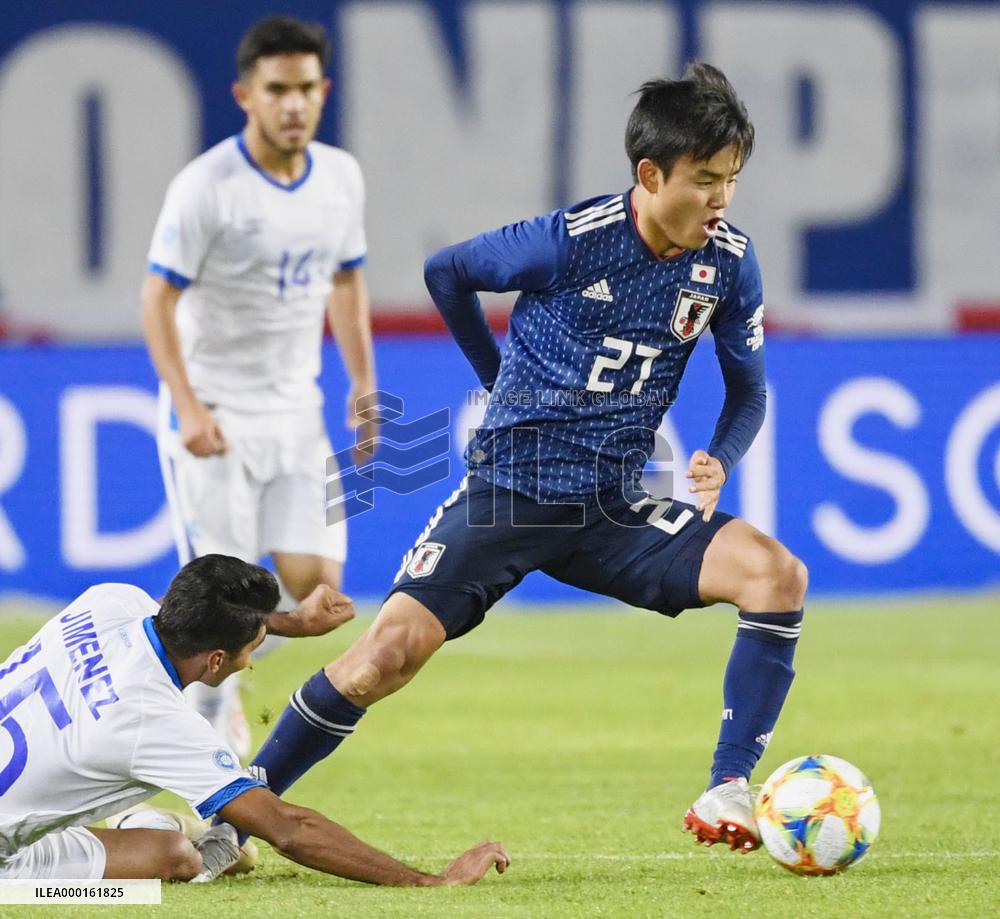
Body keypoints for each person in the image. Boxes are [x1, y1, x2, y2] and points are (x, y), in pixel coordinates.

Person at [243, 62, 808, 857]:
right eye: (706, 180)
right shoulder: (569, 243)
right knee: (384, 657)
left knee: (776, 574)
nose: (721, 202)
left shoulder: (727, 262)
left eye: (733, 181)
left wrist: (720, 454)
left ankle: (728, 784)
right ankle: (232, 813)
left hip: (615, 509)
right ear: (650, 175)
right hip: (508, 495)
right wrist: (493, 373)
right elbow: (448, 272)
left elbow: (749, 391)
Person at [142, 16, 378, 755]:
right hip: (216, 415)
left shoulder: (341, 177)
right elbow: (157, 299)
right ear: (246, 95)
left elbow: (346, 280)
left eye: (306, 88)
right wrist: (186, 405)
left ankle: (193, 658)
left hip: (296, 413)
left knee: (319, 599)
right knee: (223, 591)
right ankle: (206, 719)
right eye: (278, 89)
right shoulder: (207, 187)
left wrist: (363, 382)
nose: (294, 104)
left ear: (323, 91)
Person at [0, 555, 509, 885]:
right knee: (182, 860)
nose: (257, 650)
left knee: (167, 847)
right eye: (255, 644)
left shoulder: (106, 602)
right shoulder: (153, 721)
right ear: (218, 660)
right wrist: (428, 881)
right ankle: (146, 824)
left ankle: (142, 824)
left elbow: (181, 611)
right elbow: (287, 828)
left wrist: (295, 624)